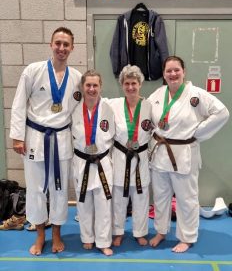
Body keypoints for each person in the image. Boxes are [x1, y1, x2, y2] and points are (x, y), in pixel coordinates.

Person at [9, 27, 82, 255]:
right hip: (35, 137)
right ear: (51, 44)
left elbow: (81, 112)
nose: (61, 48)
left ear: (72, 48)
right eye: (58, 43)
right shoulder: (33, 71)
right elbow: (19, 103)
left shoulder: (78, 78)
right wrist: (17, 136)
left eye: (66, 44)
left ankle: (57, 234)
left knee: (59, 189)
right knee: (35, 189)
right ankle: (40, 235)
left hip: (61, 138)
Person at [148, 55, 229, 253]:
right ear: (164, 74)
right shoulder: (157, 94)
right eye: (169, 71)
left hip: (184, 153)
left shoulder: (196, 94)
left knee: (187, 198)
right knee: (160, 197)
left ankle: (187, 236)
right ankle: (160, 231)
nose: (173, 74)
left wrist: (198, 132)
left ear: (184, 72)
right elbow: (148, 118)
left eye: (176, 70)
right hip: (160, 153)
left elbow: (222, 112)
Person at [72, 70, 115, 256]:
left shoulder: (109, 108)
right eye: (88, 85)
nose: (91, 89)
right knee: (84, 203)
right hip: (81, 161)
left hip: (102, 161)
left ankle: (104, 241)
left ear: (100, 86)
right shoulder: (74, 109)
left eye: (95, 85)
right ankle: (87, 238)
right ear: (82, 87)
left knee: (104, 203)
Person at [109, 65, 152, 247]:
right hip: (120, 156)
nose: (130, 87)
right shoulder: (113, 104)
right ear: (122, 85)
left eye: (134, 83)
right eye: (127, 83)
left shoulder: (149, 106)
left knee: (141, 197)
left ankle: (140, 232)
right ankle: (117, 232)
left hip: (141, 156)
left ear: (140, 84)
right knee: (119, 198)